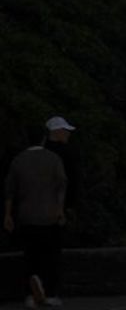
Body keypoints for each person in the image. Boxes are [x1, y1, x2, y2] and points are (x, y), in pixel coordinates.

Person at [5, 121, 68, 308]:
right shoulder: (53, 159)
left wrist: (7, 215)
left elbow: (9, 191)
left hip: (26, 217)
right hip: (49, 216)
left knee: (30, 257)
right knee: (51, 257)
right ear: (43, 138)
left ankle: (30, 295)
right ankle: (50, 293)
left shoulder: (18, 160)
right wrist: (60, 210)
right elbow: (61, 185)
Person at [41, 118, 79, 232]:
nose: (68, 133)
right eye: (65, 130)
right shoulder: (66, 152)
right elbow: (73, 178)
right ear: (56, 132)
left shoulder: (41, 150)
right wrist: (70, 205)